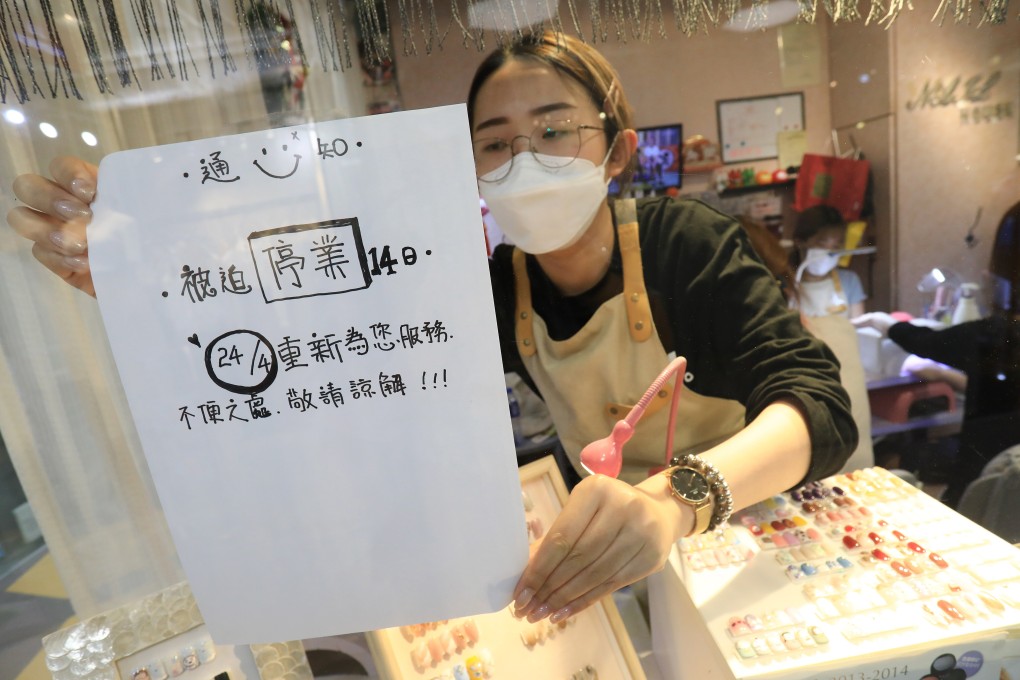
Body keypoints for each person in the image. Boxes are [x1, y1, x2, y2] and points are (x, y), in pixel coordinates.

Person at [8, 31, 856, 628]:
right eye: (496, 143)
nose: (525, 158)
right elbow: (329, 340)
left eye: (555, 130)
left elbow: (819, 405)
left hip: (752, 538)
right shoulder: (493, 284)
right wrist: (140, 270)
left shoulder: (685, 243)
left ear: (618, 150)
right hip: (610, 552)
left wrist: (680, 501)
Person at [853, 200, 1020, 509]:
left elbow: (925, 341)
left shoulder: (996, 336)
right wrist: (945, 376)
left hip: (985, 502)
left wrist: (887, 325)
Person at [791, 205, 867, 319]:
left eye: (836, 246)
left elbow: (860, 330)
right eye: (821, 244)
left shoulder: (849, 281)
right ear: (800, 242)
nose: (829, 252)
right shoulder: (785, 284)